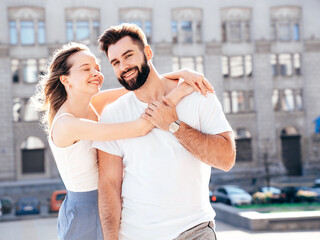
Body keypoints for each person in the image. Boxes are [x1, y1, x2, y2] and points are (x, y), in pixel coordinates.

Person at [32, 42, 213, 240]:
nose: (96, 73)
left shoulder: (93, 103)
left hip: (111, 200)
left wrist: (182, 73)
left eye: (97, 68)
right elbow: (140, 127)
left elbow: (143, 85)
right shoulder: (66, 124)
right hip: (88, 209)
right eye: (86, 69)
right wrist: (180, 90)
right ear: (66, 80)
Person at [93, 23, 236, 240]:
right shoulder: (113, 115)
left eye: (128, 55)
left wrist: (174, 126)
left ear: (148, 52)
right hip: (136, 234)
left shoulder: (197, 94)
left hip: (193, 230)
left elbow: (226, 159)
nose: (123, 66)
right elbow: (109, 185)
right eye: (115, 62)